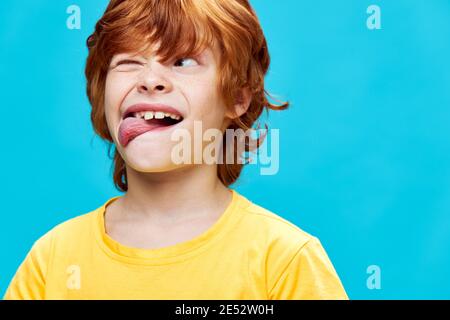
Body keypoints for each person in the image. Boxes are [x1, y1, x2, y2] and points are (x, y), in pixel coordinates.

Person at [4, 0, 348, 299]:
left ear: (237, 98)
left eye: (183, 61)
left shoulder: (284, 262)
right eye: (128, 61)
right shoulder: (52, 260)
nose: (149, 79)